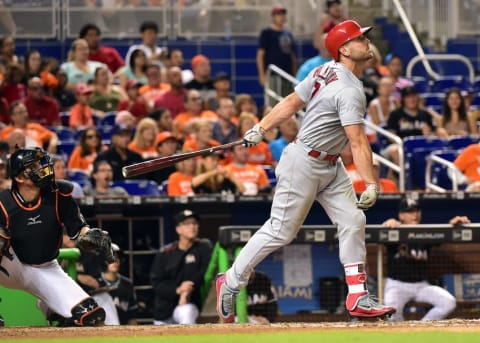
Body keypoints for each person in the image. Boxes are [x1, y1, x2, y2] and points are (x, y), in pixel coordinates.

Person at [215, 20, 395, 323]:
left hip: (330, 164)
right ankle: (231, 280)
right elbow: (358, 142)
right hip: (303, 163)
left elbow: (291, 102)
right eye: (359, 39)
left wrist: (261, 127)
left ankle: (357, 295)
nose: (366, 42)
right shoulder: (348, 89)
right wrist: (372, 184)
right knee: (281, 231)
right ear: (345, 50)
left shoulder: (325, 70)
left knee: (353, 219)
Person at [0, 147, 107, 326]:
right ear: (19, 178)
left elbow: (78, 229)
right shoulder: (3, 202)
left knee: (90, 316)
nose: (42, 168)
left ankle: (49, 305)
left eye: (40, 164)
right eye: (33, 167)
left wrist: (90, 235)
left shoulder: (58, 193)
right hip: (12, 265)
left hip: (46, 267)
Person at [383, 196, 465, 321]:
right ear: (401, 215)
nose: (415, 214)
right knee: (391, 313)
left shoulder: (425, 232)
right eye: (410, 211)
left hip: (421, 285)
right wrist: (386, 224)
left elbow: (445, 235)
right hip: (397, 285)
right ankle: (401, 338)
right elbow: (381, 233)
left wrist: (453, 225)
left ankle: (421, 329)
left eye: (417, 210)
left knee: (448, 302)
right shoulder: (395, 231)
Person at [150, 209, 212, 325]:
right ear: (178, 229)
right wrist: (178, 290)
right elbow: (156, 283)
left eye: (194, 223)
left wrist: (189, 286)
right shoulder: (165, 252)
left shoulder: (204, 248)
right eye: (187, 224)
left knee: (187, 312)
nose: (192, 227)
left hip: (189, 303)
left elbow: (204, 272)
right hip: (164, 309)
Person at [256, 5, 297, 96]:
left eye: (283, 14)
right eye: (278, 14)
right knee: (273, 100)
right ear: (273, 17)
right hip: (273, 74)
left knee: (287, 99)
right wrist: (262, 75)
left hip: (287, 73)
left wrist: (294, 73)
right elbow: (260, 55)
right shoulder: (267, 32)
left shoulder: (288, 34)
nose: (281, 17)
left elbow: (292, 56)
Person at [94, 243, 138, 325]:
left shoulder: (127, 284)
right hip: (101, 332)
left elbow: (132, 315)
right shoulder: (95, 282)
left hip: (123, 331)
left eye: (118, 258)